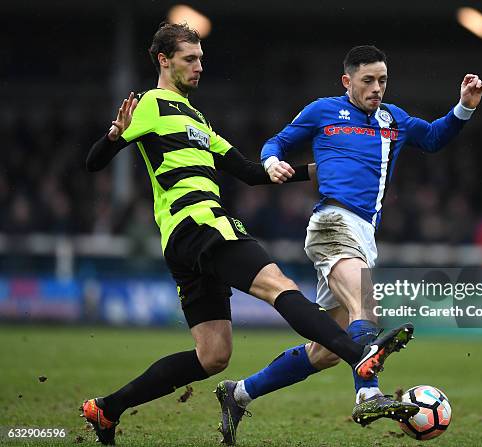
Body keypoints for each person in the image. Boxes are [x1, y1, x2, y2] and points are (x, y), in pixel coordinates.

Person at [79, 25, 413, 445]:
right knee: (281, 286)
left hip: (183, 242)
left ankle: (105, 409)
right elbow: (94, 162)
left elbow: (250, 172)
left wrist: (320, 170)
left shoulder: (198, 119)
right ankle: (359, 356)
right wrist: (112, 137)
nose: (199, 66)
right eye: (190, 59)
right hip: (201, 226)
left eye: (200, 58)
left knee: (213, 356)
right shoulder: (148, 105)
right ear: (163, 61)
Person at [217, 45, 482, 443]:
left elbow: (432, 138)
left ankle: (239, 393)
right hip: (332, 223)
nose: (376, 88)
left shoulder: (395, 119)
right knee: (367, 303)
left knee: (326, 350)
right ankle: (368, 394)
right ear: (347, 81)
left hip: (363, 233)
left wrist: (464, 107)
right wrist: (272, 161)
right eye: (368, 81)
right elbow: (278, 141)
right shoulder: (323, 110)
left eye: (382, 80)